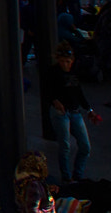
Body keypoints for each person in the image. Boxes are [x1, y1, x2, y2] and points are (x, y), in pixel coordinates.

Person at [51, 44, 96, 180]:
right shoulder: (53, 72)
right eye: (63, 61)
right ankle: (67, 177)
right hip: (61, 112)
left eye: (68, 61)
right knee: (65, 146)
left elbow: (78, 92)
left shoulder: (74, 72)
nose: (66, 65)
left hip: (74, 111)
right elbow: (47, 91)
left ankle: (77, 175)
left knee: (85, 146)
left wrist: (89, 109)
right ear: (58, 59)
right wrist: (54, 101)